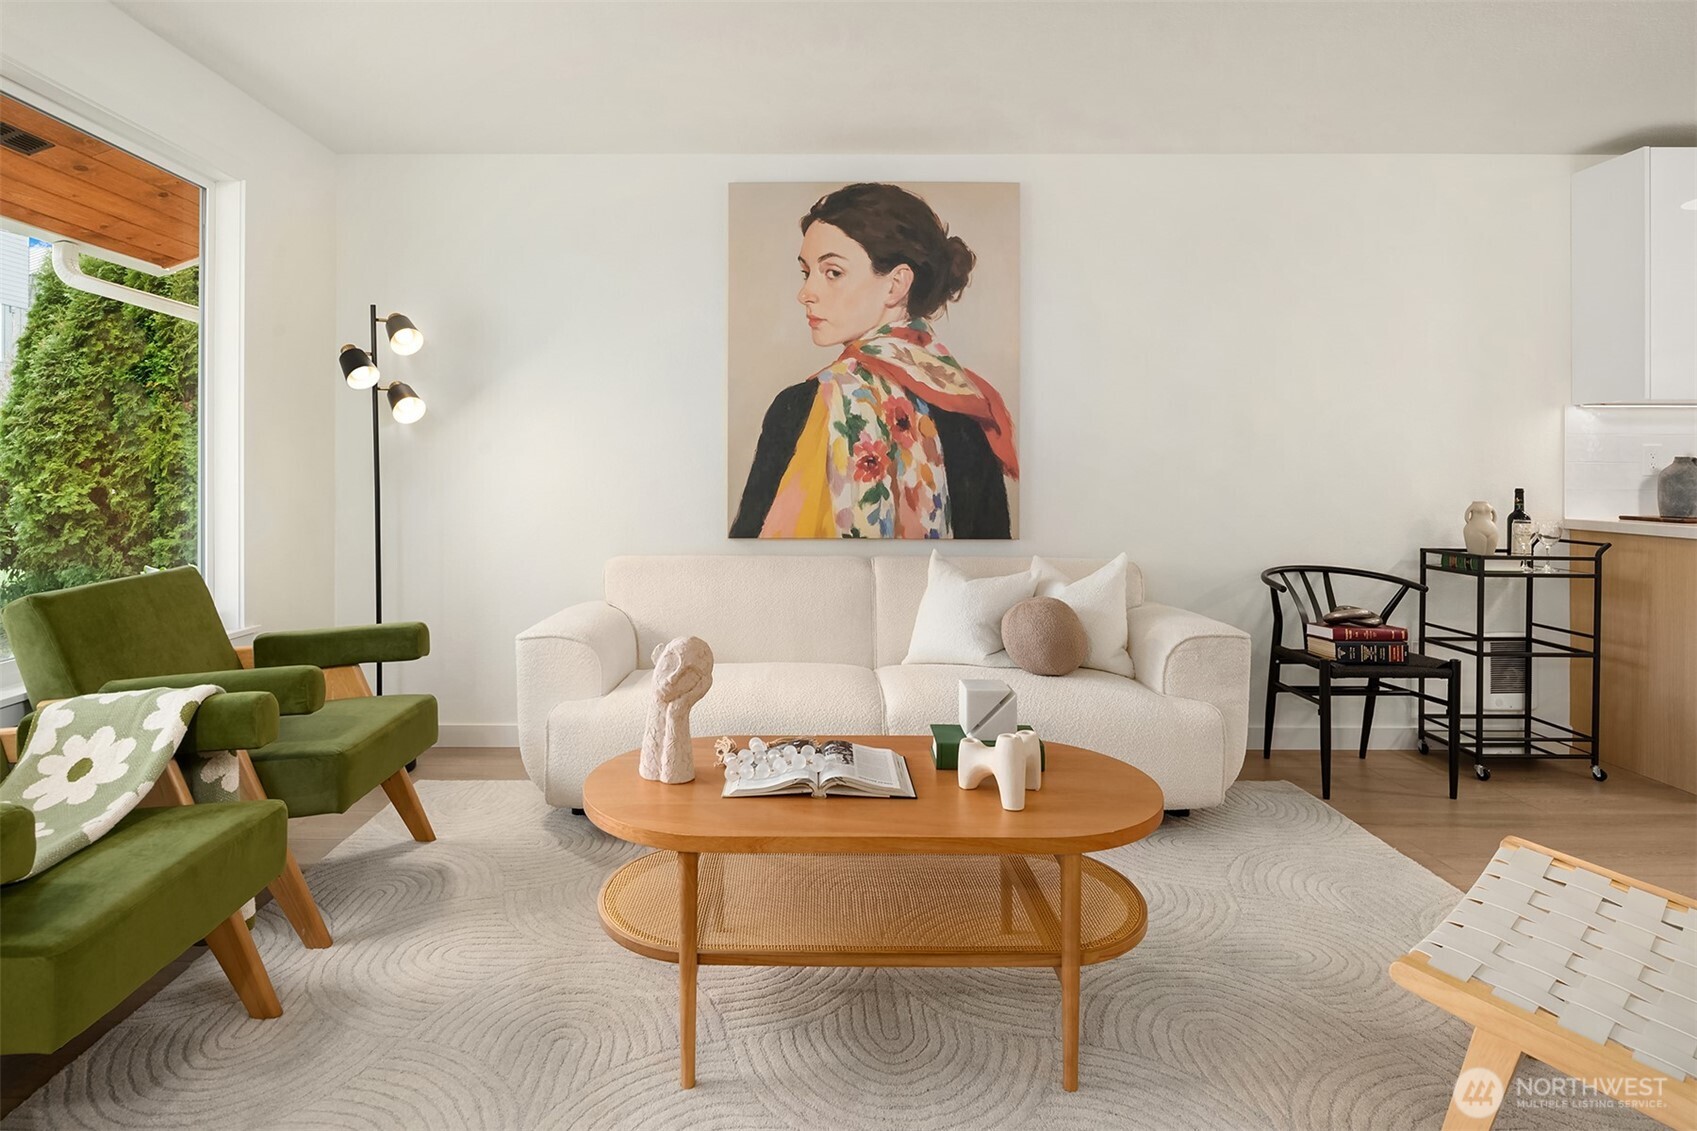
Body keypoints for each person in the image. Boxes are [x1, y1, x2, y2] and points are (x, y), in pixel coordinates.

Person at [731, 183, 1018, 539]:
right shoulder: (965, 402)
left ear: (896, 284)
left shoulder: (800, 406)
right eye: (807, 273)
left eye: (832, 272)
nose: (805, 293)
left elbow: (751, 554)